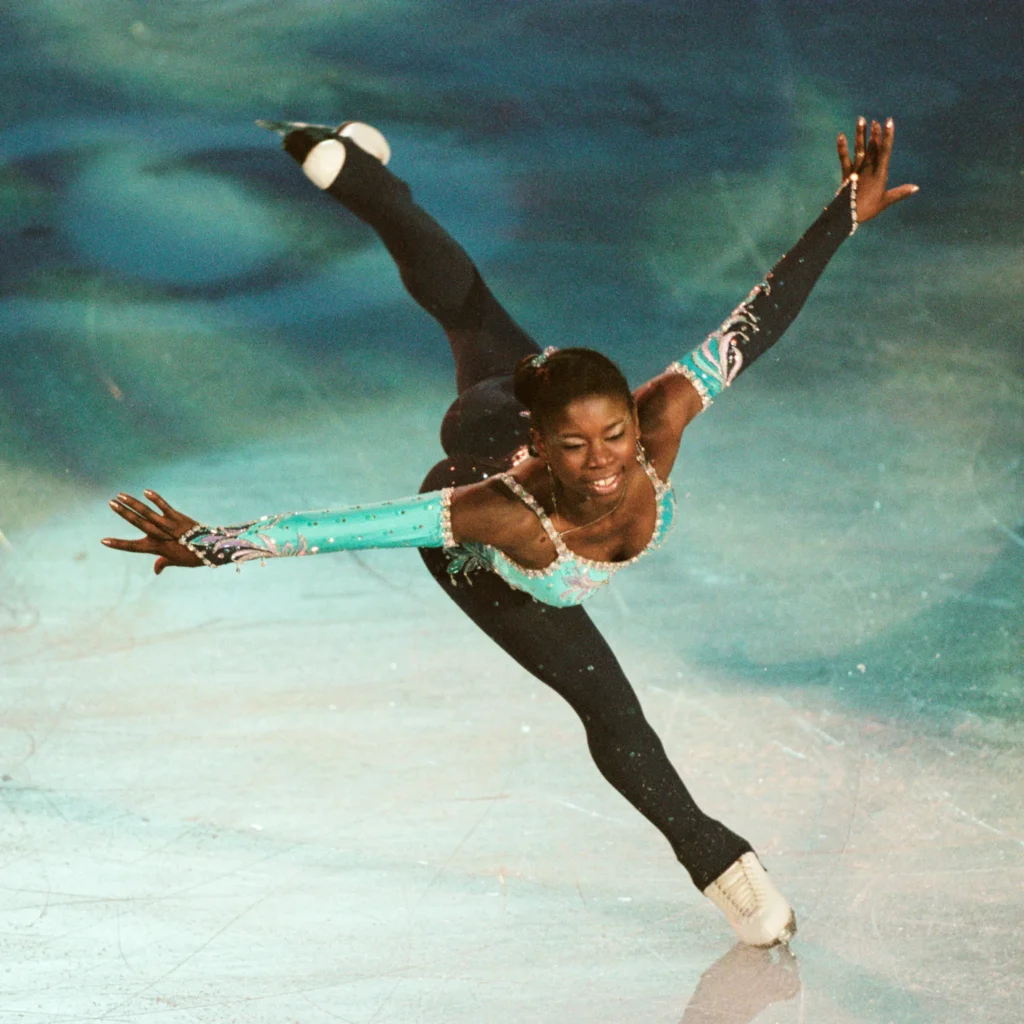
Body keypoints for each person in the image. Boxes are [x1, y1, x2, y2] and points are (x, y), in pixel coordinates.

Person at [103, 115, 916, 947]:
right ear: (547, 442)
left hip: (513, 401)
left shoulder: (658, 414)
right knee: (608, 704)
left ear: (633, 421)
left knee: (470, 309)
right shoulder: (500, 517)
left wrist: (844, 212)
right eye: (577, 446)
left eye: (614, 437)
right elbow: (351, 527)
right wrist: (216, 544)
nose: (603, 462)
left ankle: (356, 175)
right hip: (476, 524)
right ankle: (722, 865)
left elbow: (762, 315)